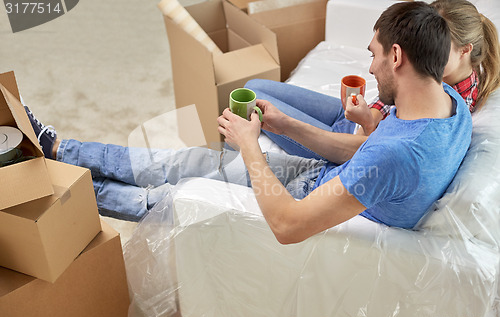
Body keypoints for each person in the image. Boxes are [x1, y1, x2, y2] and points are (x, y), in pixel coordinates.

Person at [27, 2, 471, 245]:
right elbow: (363, 153)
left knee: (167, 197)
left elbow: (288, 226)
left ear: (397, 57)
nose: (370, 68)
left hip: (304, 206)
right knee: (179, 162)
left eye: (374, 55)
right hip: (321, 177)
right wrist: (283, 125)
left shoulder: (400, 155)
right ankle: (60, 149)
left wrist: (250, 143)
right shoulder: (449, 104)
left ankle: (68, 186)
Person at [246, 0, 499, 160]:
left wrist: (367, 123)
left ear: (465, 50)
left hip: (349, 142)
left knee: (252, 100)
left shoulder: (449, 104)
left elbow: (383, 150)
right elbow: (394, 100)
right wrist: (373, 111)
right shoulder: (440, 75)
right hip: (355, 120)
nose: (424, 50)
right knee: (253, 87)